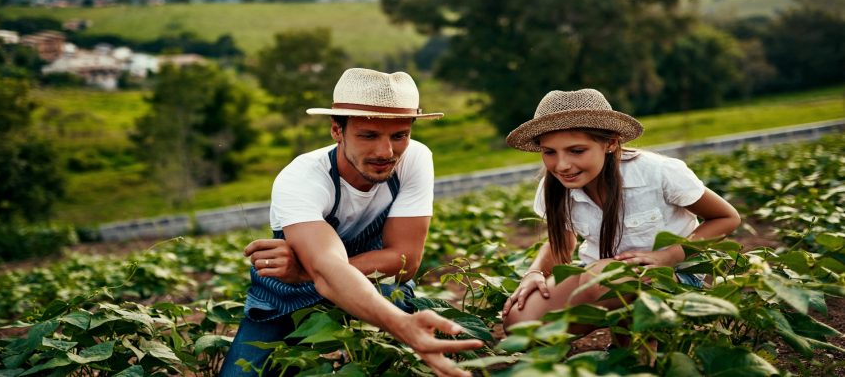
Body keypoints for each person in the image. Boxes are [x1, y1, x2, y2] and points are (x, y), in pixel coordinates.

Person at [220, 68, 482, 377]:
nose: (386, 152)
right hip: (286, 296)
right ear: (336, 130)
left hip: (368, 286)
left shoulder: (415, 159)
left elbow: (405, 261)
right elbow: (328, 265)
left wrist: (305, 271)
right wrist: (320, 273)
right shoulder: (303, 178)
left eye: (399, 136)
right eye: (368, 135)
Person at [501, 89, 741, 333]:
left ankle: (644, 341)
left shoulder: (657, 172)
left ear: (611, 143)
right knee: (519, 321)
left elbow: (726, 217)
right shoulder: (554, 187)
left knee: (603, 276)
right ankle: (623, 338)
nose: (562, 165)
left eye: (576, 151)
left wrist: (668, 257)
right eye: (550, 152)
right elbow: (562, 240)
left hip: (672, 277)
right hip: (596, 275)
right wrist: (534, 272)